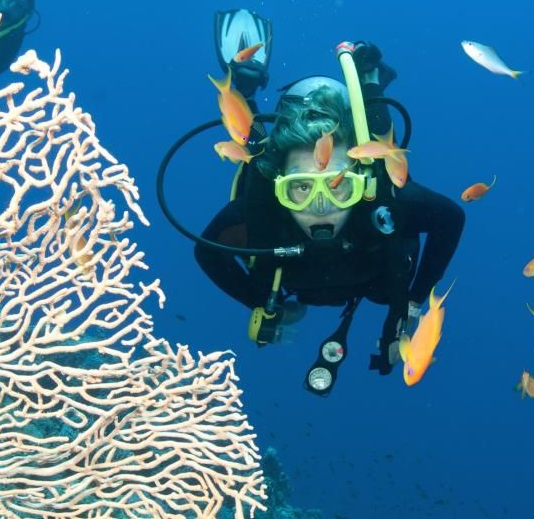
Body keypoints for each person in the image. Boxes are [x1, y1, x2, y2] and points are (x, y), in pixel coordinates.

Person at [189, 21, 465, 396]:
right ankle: (243, 90)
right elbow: (206, 251)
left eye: (340, 186)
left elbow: (452, 218)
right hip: (299, 264)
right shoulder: (261, 212)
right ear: (278, 190)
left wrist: (415, 299)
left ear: (359, 184)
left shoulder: (378, 201)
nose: (321, 205)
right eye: (299, 188)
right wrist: (257, 301)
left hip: (372, 264)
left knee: (380, 152)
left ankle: (370, 85)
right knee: (255, 149)